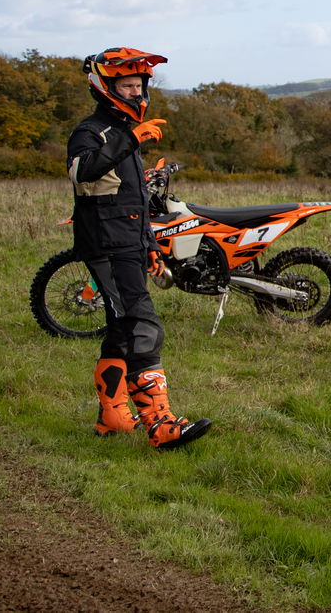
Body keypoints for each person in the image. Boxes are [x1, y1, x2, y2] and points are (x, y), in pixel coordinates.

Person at [68, 47, 211, 451]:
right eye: (127, 85)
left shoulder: (126, 133)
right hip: (107, 244)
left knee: (119, 329)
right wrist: (127, 140)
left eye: (138, 85)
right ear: (105, 86)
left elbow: (133, 200)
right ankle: (160, 424)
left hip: (128, 241)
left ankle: (113, 415)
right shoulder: (91, 131)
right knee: (143, 325)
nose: (135, 92)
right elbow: (82, 173)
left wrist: (150, 244)